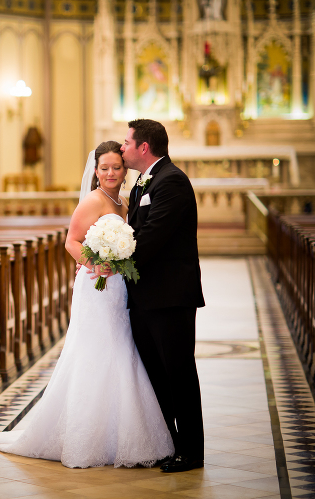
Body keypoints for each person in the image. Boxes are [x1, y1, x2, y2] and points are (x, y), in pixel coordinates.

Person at [0, 141, 174, 468]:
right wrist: (94, 263)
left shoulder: (123, 201)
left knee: (122, 349)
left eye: (116, 167)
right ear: (95, 171)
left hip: (119, 287)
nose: (110, 173)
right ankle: (88, 437)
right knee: (96, 351)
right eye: (104, 168)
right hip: (96, 287)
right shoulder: (92, 201)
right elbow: (71, 241)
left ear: (124, 171)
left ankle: (121, 433)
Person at [119, 119, 206, 472]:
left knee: (179, 373)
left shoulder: (172, 181)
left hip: (170, 297)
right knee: (156, 374)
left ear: (144, 147)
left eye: (127, 143)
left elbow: (152, 236)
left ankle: (192, 451)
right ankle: (168, 444)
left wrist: (112, 259)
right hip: (145, 297)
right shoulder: (144, 182)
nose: (122, 147)